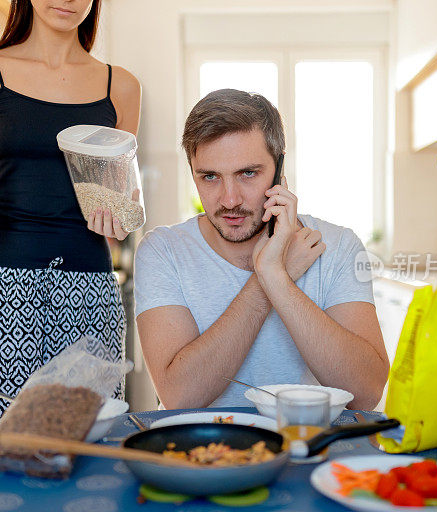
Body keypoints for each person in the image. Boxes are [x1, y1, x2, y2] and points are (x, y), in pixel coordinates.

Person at [0, 0, 141, 444]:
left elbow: (121, 197)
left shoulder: (122, 87)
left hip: (88, 297)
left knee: (83, 451)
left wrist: (121, 215)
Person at [134, 89, 388, 411]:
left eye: (248, 173)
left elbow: (365, 392)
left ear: (280, 170)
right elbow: (180, 397)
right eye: (210, 177)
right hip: (203, 452)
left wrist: (276, 277)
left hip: (312, 445)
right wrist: (264, 282)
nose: (229, 200)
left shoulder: (337, 246)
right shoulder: (162, 251)